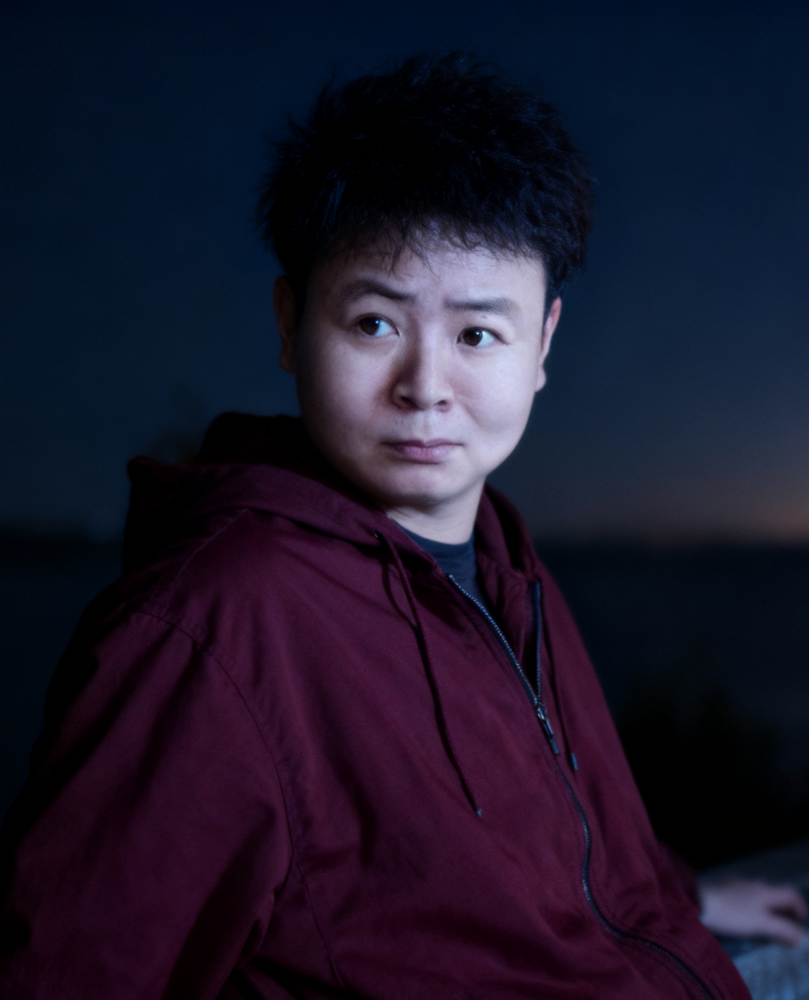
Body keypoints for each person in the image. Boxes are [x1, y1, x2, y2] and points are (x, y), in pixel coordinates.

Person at [0, 52, 803, 1000]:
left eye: (476, 335)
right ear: (291, 322)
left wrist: (671, 895)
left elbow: (545, 825)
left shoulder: (499, 559)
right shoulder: (216, 621)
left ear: (541, 345)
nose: (425, 387)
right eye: (374, 324)